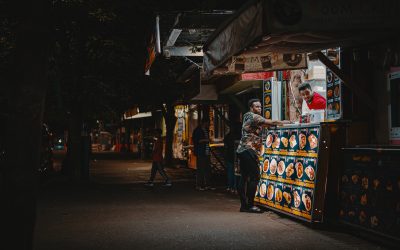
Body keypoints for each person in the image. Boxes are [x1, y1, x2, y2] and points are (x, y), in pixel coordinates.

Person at [237, 99, 291, 213]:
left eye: (260, 107)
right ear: (251, 108)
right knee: (255, 176)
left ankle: (244, 205)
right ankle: (250, 205)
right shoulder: (254, 116)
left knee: (244, 177)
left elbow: (265, 124)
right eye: (257, 107)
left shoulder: (247, 116)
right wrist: (288, 122)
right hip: (248, 149)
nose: (260, 109)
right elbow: (271, 122)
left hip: (242, 150)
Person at [192, 118, 215, 191]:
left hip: (206, 152)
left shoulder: (205, 130)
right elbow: (196, 140)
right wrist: (206, 140)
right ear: (204, 123)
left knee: (207, 169)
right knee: (201, 169)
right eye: (208, 123)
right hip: (201, 152)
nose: (209, 125)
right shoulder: (198, 130)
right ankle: (199, 185)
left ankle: (207, 184)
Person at [223, 124, 239, 193]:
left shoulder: (227, 136)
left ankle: (230, 187)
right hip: (236, 156)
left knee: (230, 172)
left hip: (229, 156)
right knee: (236, 173)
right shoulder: (239, 136)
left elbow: (225, 145)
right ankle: (235, 188)